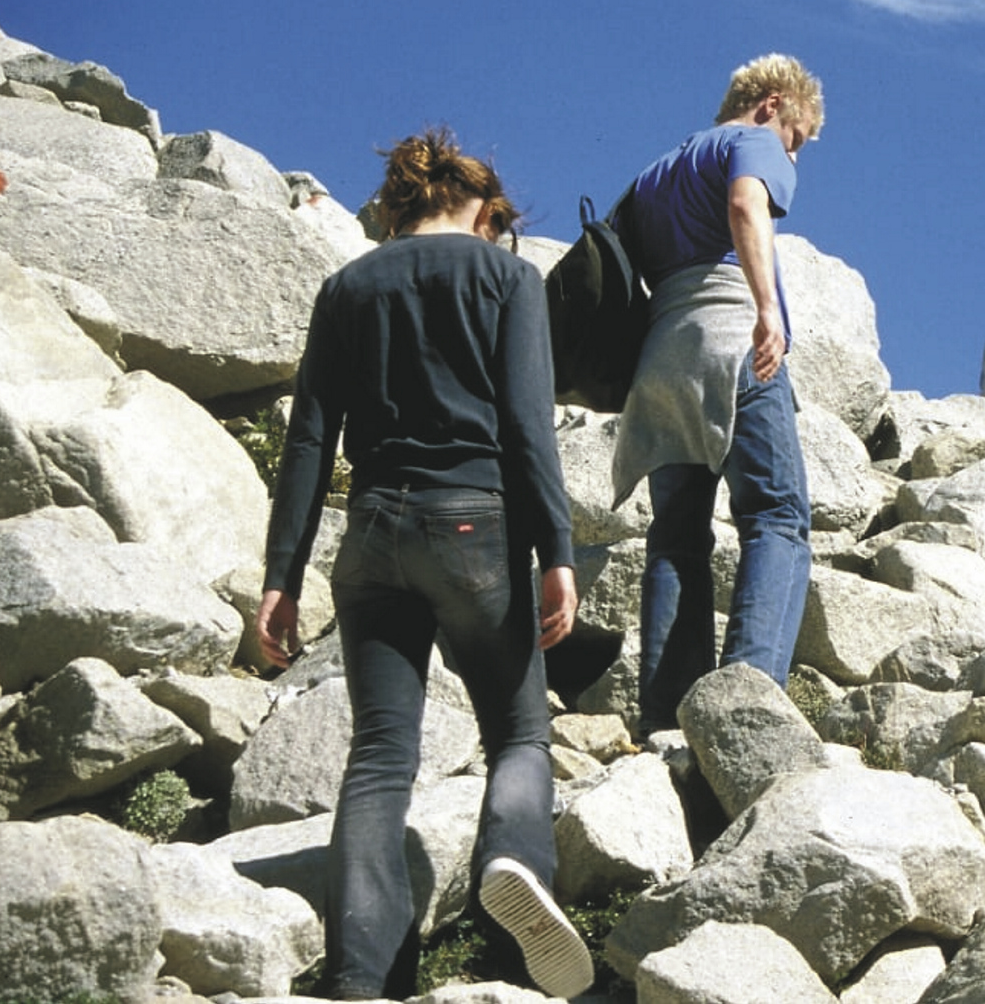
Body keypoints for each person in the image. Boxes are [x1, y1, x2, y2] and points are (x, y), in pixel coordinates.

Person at [255, 128, 594, 1001]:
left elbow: (308, 440)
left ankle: (359, 977)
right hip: (476, 524)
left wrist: (280, 577)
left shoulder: (347, 286)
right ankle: (513, 858)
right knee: (518, 731)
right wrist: (557, 552)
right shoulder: (507, 279)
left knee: (379, 754)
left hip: (372, 531)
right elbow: (527, 425)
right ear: (483, 210)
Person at [611, 53, 823, 734]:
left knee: (676, 538)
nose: (793, 155)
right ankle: (745, 708)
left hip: (661, 358)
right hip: (733, 338)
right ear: (772, 104)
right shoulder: (752, 142)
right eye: (796, 138)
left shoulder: (654, 173)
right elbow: (745, 204)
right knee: (777, 516)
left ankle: (667, 721)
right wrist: (767, 309)